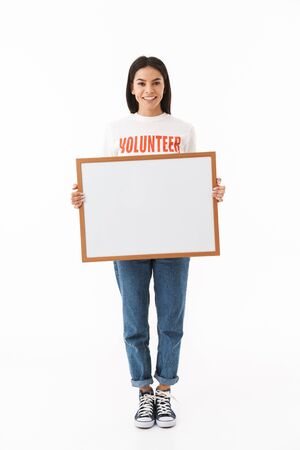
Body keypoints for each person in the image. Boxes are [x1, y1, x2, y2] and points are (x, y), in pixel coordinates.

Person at [71, 56, 226, 429]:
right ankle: (143, 392)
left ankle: (165, 392)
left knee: (171, 319)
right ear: (131, 88)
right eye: (141, 83)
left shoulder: (183, 129)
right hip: (127, 241)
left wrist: (213, 191)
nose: (149, 89)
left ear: (165, 86)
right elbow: (104, 183)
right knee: (134, 320)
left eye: (156, 82)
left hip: (175, 238)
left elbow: (191, 182)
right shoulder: (116, 130)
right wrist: (83, 196)